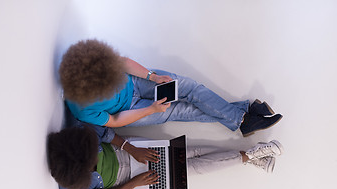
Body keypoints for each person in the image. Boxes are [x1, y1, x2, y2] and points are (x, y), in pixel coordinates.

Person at [59, 39, 282, 137]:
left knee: (191, 88)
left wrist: (151, 76)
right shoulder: (81, 109)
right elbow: (115, 121)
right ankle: (245, 116)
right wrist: (151, 110)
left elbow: (123, 62)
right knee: (184, 111)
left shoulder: (87, 59)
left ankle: (243, 118)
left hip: (137, 80)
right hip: (132, 110)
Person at [47, 122, 284, 189]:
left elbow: (104, 132)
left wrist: (132, 148)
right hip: (134, 182)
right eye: (93, 165)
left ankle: (252, 156)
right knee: (195, 170)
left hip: (134, 152)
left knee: (194, 151)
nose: (97, 159)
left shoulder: (76, 136)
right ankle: (252, 156)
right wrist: (134, 183)